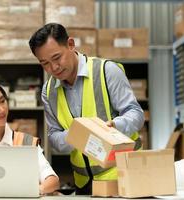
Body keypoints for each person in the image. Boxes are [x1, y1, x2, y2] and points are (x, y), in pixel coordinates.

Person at [29, 23, 144, 195]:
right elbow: (53, 136)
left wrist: (114, 126)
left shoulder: (106, 71)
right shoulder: (48, 91)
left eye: (57, 58)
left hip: (123, 174)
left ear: (70, 44)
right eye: (45, 63)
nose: (54, 68)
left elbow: (136, 114)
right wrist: (78, 134)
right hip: (84, 183)